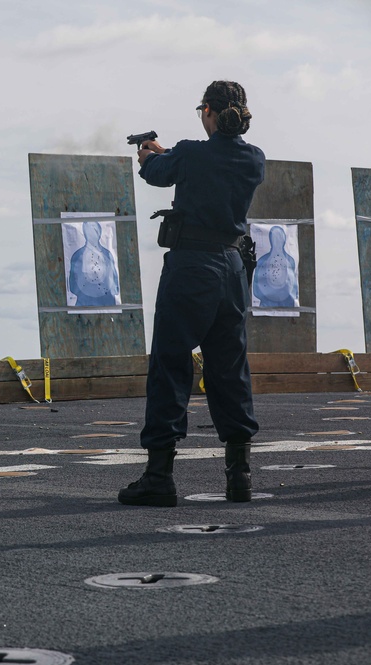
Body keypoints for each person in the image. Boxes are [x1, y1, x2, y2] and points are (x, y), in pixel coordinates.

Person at [118, 80, 266, 506]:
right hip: (233, 270)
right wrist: (171, 152)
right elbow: (204, 166)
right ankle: (239, 477)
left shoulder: (190, 152)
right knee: (229, 368)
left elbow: (157, 174)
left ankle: (159, 478)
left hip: (191, 269)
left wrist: (148, 154)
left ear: (210, 113)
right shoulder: (253, 159)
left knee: (170, 364)